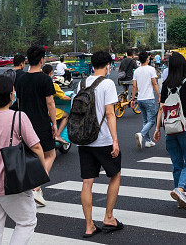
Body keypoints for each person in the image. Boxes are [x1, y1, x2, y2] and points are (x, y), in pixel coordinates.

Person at [0, 75, 48, 245]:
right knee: (27, 222)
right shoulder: (18, 117)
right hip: (12, 182)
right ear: (10, 95)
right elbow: (36, 147)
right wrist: (42, 172)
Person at [152, 52, 186, 209]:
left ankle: (179, 195)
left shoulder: (165, 84)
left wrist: (157, 128)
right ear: (183, 66)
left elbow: (161, 108)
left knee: (177, 164)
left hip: (169, 128)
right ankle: (181, 189)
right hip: (185, 125)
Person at [78, 50, 123, 238]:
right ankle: (108, 217)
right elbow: (110, 113)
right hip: (103, 139)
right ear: (108, 66)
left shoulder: (81, 83)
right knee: (115, 175)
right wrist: (115, 140)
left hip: (84, 140)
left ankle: (89, 226)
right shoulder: (107, 83)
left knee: (87, 182)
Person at [11, 45, 57, 207]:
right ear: (42, 60)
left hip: (23, 123)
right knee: (50, 155)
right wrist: (55, 124)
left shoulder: (21, 78)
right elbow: (50, 103)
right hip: (42, 122)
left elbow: (18, 102)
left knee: (29, 156)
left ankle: (28, 189)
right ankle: (36, 188)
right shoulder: (45, 78)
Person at [132, 51, 160, 149]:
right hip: (149, 98)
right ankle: (142, 134)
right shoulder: (151, 69)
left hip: (140, 99)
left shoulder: (136, 71)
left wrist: (132, 99)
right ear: (147, 59)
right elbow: (154, 83)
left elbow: (134, 86)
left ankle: (148, 141)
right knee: (152, 120)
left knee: (145, 120)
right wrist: (159, 95)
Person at [42, 64, 72, 141]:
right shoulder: (53, 85)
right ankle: (57, 135)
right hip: (47, 111)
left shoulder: (37, 83)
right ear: (51, 73)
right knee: (66, 115)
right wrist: (72, 98)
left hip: (37, 110)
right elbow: (63, 97)